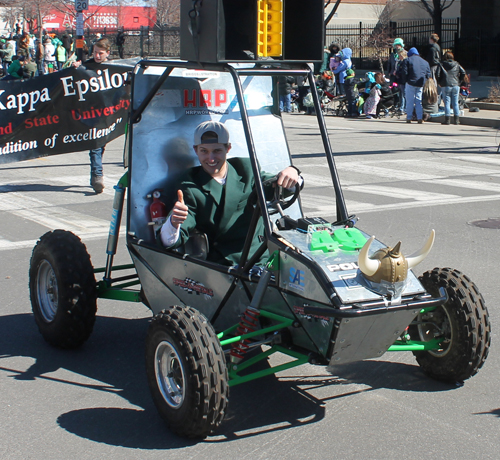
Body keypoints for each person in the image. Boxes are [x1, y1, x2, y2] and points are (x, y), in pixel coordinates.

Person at [160, 121, 302, 266]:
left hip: (261, 256)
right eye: (204, 151)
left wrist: (293, 172)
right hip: (225, 264)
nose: (211, 158)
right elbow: (171, 240)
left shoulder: (246, 169)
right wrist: (173, 222)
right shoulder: (189, 184)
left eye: (217, 151)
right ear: (195, 150)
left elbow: (283, 188)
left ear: (228, 148)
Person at [73, 37, 112, 193]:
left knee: (101, 146)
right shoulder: (87, 65)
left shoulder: (114, 67)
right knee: (96, 145)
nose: (97, 56)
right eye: (95, 52)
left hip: (110, 114)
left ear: (107, 53)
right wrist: (77, 67)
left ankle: (94, 174)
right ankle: (97, 176)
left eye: (100, 53)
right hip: (93, 113)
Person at [401, 47, 431, 124]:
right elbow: (428, 74)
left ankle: (409, 117)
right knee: (418, 101)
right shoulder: (425, 62)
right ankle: (420, 117)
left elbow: (404, 72)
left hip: (410, 82)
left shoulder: (407, 60)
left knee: (410, 100)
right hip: (420, 83)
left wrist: (405, 80)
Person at [436, 51, 466, 125]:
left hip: (445, 84)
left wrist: (439, 82)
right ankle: (456, 120)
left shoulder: (441, 64)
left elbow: (437, 74)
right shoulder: (457, 64)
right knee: (455, 102)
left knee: (447, 103)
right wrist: (459, 81)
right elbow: (463, 72)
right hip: (455, 84)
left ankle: (447, 120)